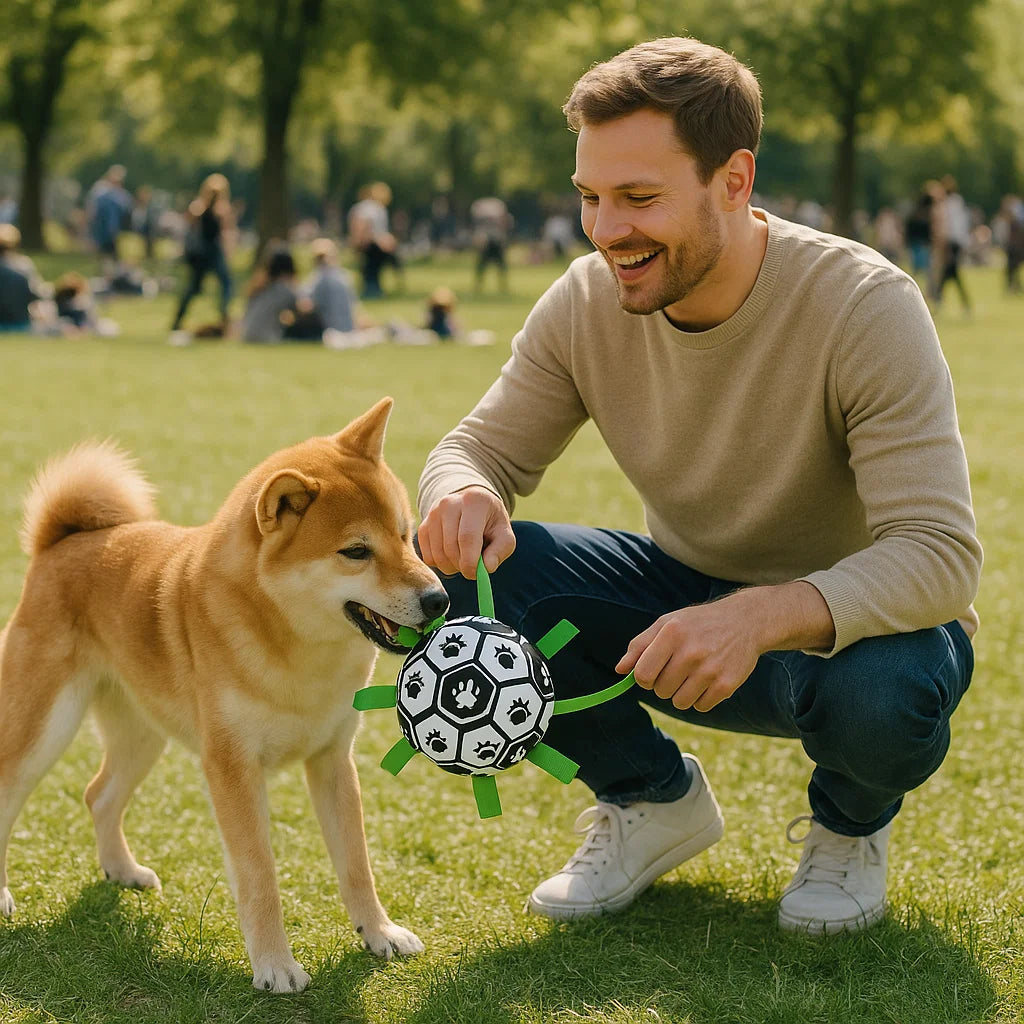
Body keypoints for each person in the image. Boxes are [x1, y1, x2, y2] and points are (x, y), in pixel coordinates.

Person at [416, 37, 981, 937]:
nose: (606, 230)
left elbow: (940, 556)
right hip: (680, 601)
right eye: (590, 197)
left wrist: (756, 617)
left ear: (734, 180)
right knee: (462, 575)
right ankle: (648, 797)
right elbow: (477, 448)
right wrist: (462, 492)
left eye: (639, 198)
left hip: (854, 638)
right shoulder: (585, 299)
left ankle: (849, 826)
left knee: (887, 692)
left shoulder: (865, 305)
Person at [169, 173, 234, 341]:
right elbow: (188, 230)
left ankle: (223, 316)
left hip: (212, 252)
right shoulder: (200, 208)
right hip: (204, 253)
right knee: (197, 287)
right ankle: (179, 319)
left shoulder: (219, 210)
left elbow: (225, 232)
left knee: (223, 284)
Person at [347, 182, 401, 298]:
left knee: (369, 268)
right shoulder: (376, 208)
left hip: (367, 242)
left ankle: (372, 288)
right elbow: (364, 224)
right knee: (373, 267)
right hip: (373, 242)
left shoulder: (360, 207)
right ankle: (372, 289)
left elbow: (355, 225)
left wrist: (357, 242)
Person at [241, 245, 300, 343]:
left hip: (247, 335)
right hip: (267, 338)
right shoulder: (284, 289)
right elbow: (302, 309)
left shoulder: (259, 286)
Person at [933, 175, 972, 314]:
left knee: (949, 272)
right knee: (950, 273)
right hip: (956, 242)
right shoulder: (957, 202)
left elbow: (949, 225)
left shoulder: (947, 204)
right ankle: (941, 299)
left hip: (950, 242)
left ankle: (939, 299)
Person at [86, 165, 131, 270]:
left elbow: (126, 206)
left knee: (112, 247)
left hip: (113, 225)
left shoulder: (120, 192)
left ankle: (113, 268)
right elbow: (92, 206)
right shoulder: (100, 188)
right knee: (102, 247)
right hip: (101, 223)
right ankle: (104, 268)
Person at [470, 196, 513, 291]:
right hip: (486, 240)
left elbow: (504, 223)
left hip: (495, 239)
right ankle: (479, 285)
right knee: (482, 265)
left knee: (500, 265)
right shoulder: (485, 205)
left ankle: (502, 285)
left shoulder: (494, 204)